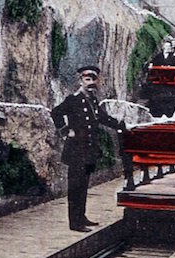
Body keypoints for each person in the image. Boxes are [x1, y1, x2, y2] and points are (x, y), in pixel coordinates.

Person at [51, 65, 125, 232]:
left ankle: (81, 216)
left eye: (94, 79)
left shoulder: (93, 100)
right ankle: (75, 222)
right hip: (76, 150)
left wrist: (118, 124)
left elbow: (103, 118)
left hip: (89, 150)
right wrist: (65, 131)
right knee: (75, 187)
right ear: (81, 81)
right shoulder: (73, 100)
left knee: (83, 185)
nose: (91, 83)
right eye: (87, 79)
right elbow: (55, 112)